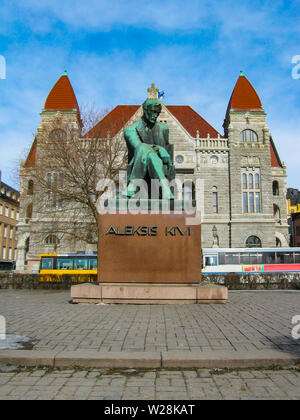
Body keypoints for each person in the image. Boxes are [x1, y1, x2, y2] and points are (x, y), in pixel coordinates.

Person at [123, 99, 175, 198]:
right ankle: (164, 187)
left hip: (161, 164)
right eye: (152, 112)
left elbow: (168, 149)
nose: (155, 116)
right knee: (144, 150)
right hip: (139, 164)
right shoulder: (130, 130)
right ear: (145, 110)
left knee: (149, 154)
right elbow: (138, 147)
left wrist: (163, 152)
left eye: (157, 113)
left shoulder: (163, 128)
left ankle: (133, 185)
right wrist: (158, 148)